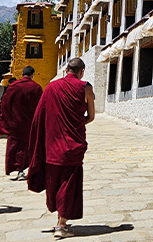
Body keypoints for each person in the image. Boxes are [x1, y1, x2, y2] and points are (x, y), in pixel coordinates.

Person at [27, 58, 95, 238]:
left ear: (66, 70)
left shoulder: (51, 87)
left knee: (55, 181)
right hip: (73, 143)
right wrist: (76, 124)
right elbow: (91, 116)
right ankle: (62, 225)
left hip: (53, 144)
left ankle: (60, 219)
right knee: (69, 182)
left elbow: (40, 115)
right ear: (82, 72)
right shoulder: (86, 88)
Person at [0, 66, 43, 181]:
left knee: (15, 147)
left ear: (22, 74)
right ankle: (27, 169)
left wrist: (6, 118)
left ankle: (18, 170)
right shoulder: (36, 87)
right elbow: (40, 106)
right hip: (30, 124)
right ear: (32, 75)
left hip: (15, 123)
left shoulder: (13, 87)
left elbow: (4, 104)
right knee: (28, 147)